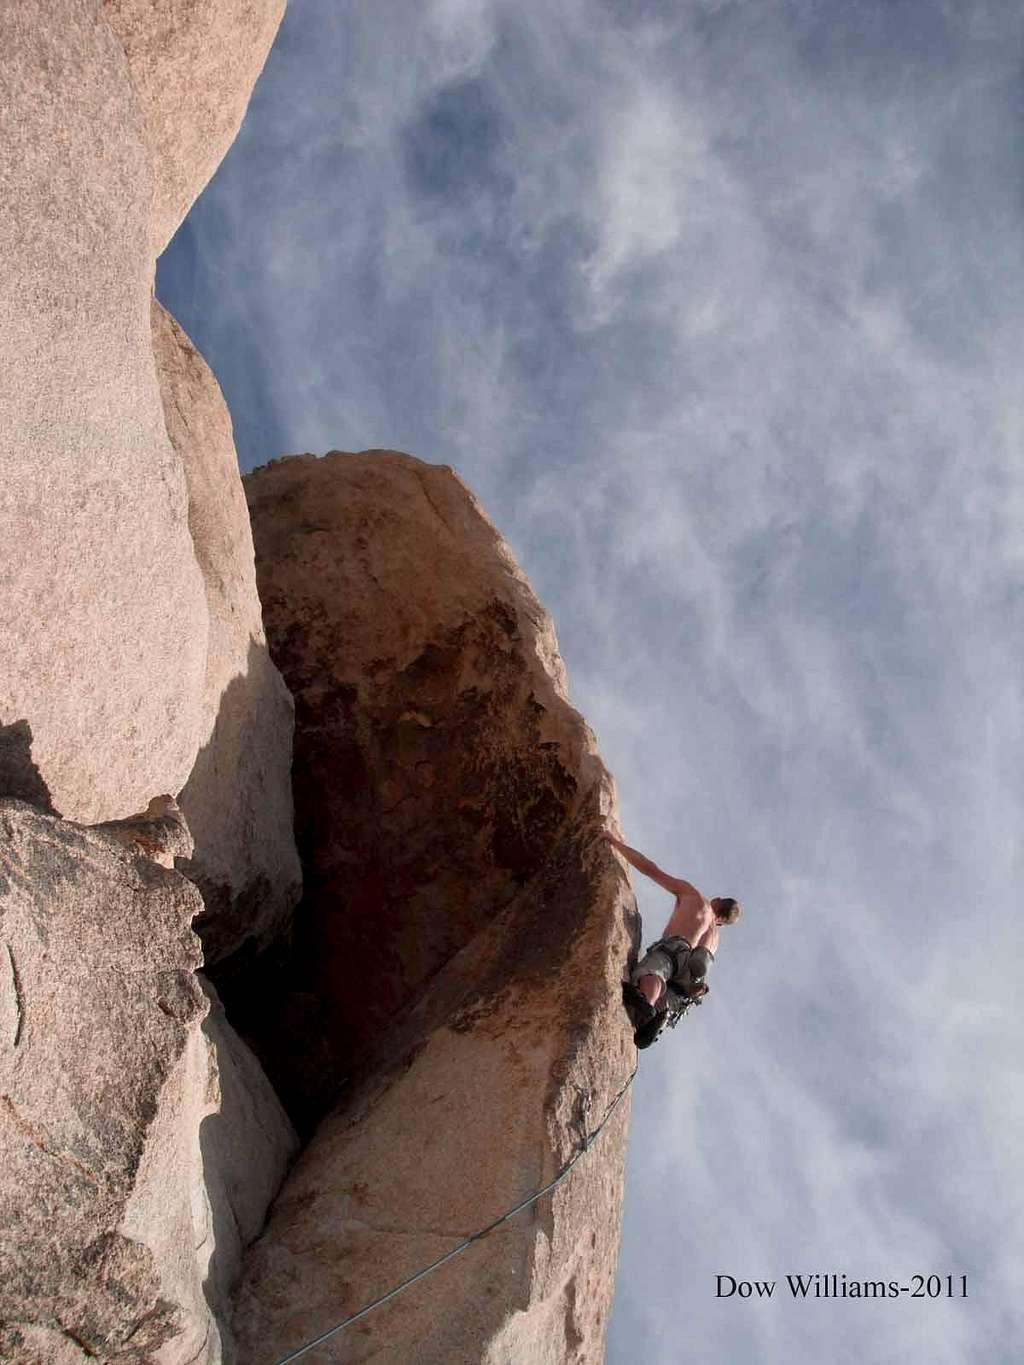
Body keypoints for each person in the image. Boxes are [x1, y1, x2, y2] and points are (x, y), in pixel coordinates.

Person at [602, 829, 741, 1018]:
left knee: (652, 972)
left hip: (676, 949)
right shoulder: (715, 938)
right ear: (722, 922)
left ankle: (647, 1003)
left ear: (717, 899)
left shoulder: (698, 899)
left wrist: (615, 843)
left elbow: (651, 870)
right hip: (690, 977)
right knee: (671, 992)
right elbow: (701, 963)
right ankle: (661, 1012)